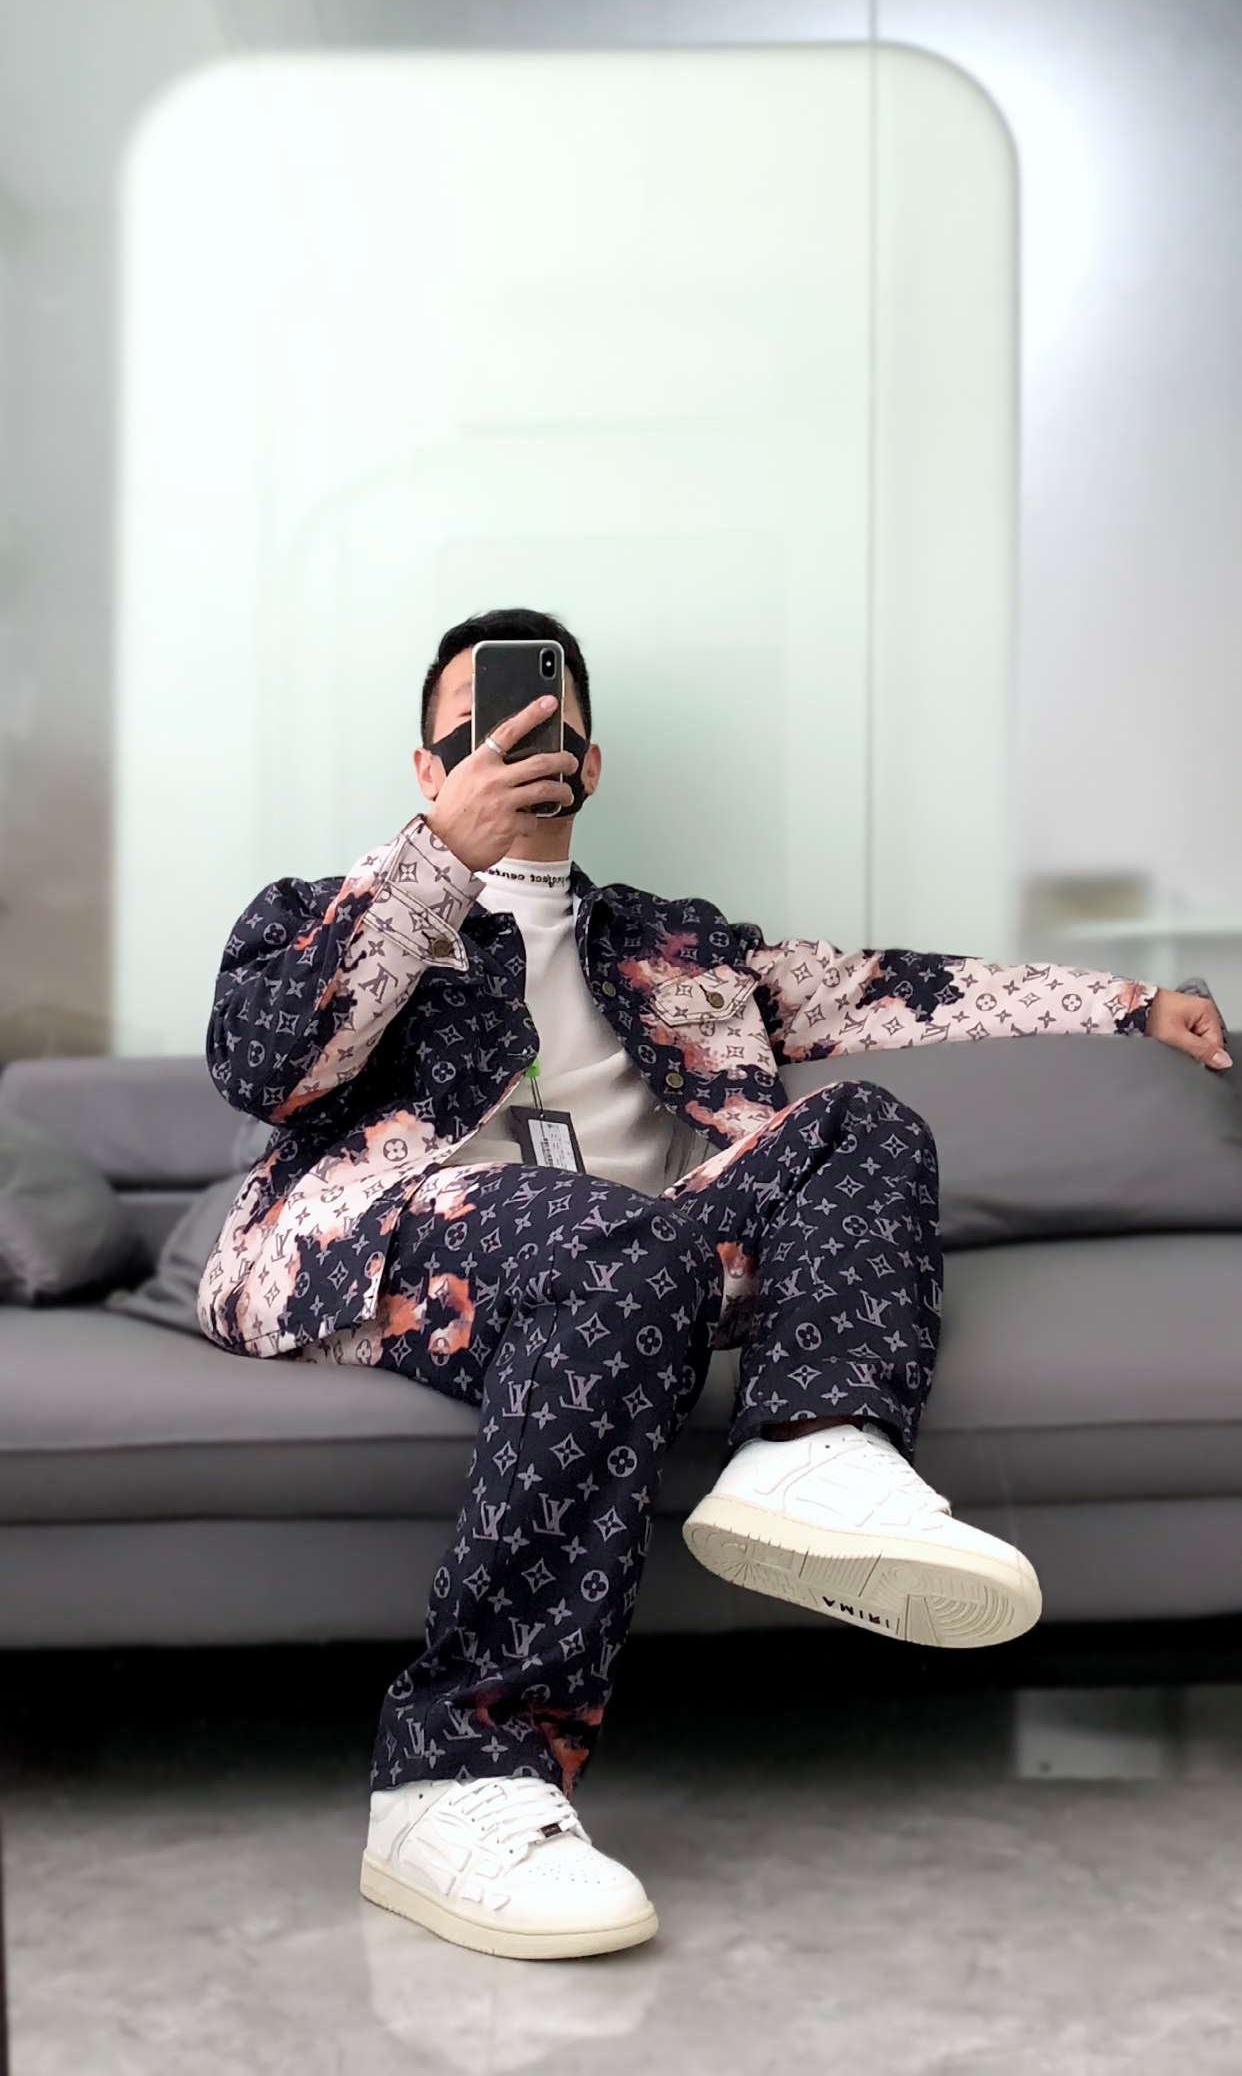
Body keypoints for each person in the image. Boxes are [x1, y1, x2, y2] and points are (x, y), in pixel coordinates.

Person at [198, 607, 1230, 1963]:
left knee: (857, 1125)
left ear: (590, 763)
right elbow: (267, 1068)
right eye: (475, 731)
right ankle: (453, 1778)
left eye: (544, 725)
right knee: (613, 1241)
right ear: (427, 766)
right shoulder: (323, 912)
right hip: (388, 1242)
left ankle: (813, 1447)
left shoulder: (676, 945)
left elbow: (891, 990)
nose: (511, 746)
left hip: (642, 1259)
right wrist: (437, 860)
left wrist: (1126, 1007)